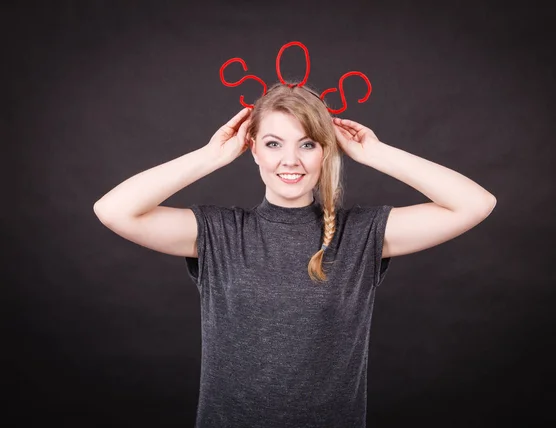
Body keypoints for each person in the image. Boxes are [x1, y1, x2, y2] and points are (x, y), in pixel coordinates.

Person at [94, 82, 496, 427]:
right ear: (253, 151)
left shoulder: (360, 234)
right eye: (273, 144)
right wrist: (210, 156)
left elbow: (474, 204)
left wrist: (376, 154)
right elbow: (113, 210)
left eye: (308, 143)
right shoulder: (220, 233)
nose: (290, 160)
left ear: (327, 151)